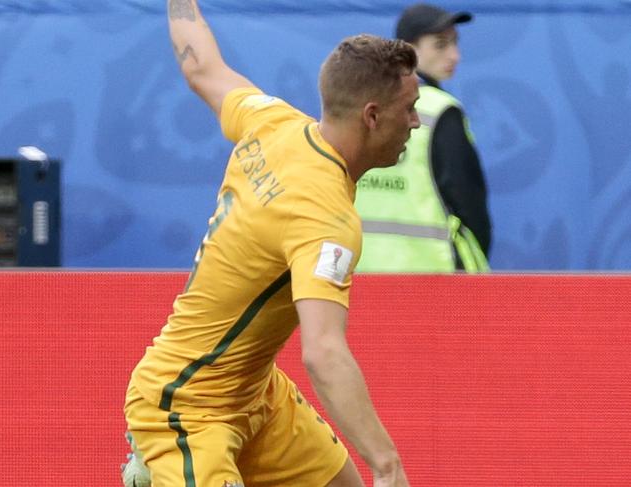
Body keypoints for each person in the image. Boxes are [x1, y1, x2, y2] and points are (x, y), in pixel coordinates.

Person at [121, 1, 420, 486]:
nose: (415, 123)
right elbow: (323, 353)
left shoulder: (272, 121)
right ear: (372, 115)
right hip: (188, 405)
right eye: (409, 109)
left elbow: (202, 68)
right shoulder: (324, 217)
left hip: (257, 393)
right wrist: (388, 464)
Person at [354, 3, 491, 273]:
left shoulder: (360, 106)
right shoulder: (440, 110)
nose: (455, 55)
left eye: (455, 43)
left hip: (361, 278)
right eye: (441, 45)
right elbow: (470, 204)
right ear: (408, 51)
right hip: (432, 280)